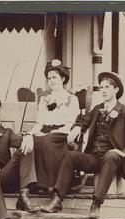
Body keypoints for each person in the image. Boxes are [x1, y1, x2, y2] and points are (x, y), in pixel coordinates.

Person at [40, 72, 125, 218]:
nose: (103, 90)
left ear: (116, 90)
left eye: (107, 87)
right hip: (94, 157)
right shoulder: (98, 109)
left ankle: (96, 204)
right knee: (70, 155)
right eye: (101, 88)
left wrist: (124, 152)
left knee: (110, 155)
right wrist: (78, 127)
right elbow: (83, 121)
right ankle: (57, 199)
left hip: (114, 159)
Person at [24, 59, 80, 197]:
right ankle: (33, 183)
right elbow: (40, 123)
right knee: (31, 141)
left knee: (45, 141)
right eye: (49, 78)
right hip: (46, 132)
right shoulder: (44, 99)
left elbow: (70, 123)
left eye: (54, 77)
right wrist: (29, 134)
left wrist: (51, 133)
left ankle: (51, 184)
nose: (51, 81)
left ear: (63, 78)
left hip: (63, 133)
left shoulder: (72, 99)